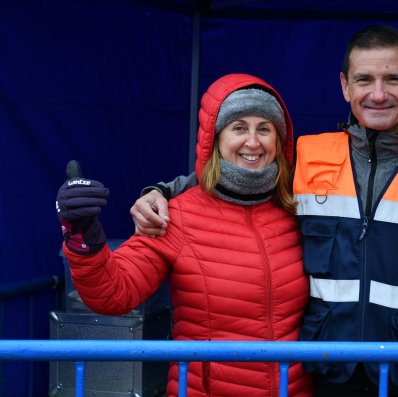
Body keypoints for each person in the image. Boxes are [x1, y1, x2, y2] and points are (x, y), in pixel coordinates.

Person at [130, 26, 398, 397]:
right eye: (364, 80)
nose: (378, 94)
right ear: (345, 86)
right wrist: (162, 190)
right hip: (330, 377)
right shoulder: (309, 157)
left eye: (392, 79)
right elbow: (240, 168)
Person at [55, 73, 313, 397]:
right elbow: (114, 293)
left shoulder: (300, 211)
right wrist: (81, 233)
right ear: (215, 139)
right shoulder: (177, 214)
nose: (253, 141)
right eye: (238, 128)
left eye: (264, 128)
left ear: (280, 139)